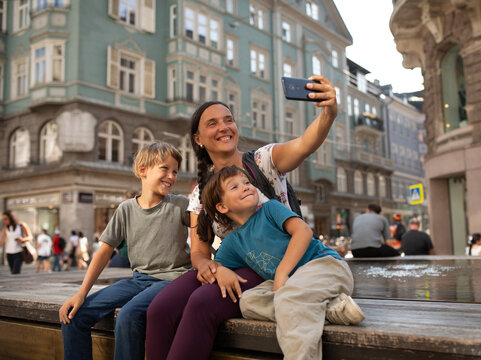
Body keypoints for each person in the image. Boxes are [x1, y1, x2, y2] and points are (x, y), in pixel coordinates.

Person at [146, 75, 339, 360]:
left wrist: (329, 112)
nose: (224, 127)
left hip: (274, 263)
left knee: (202, 302)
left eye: (228, 119)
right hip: (233, 262)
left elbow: (305, 144)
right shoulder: (200, 192)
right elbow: (198, 252)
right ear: (198, 139)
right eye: (212, 123)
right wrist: (212, 268)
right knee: (158, 309)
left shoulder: (263, 161)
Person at [203, 166, 365, 358]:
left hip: (325, 266)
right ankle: (331, 309)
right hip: (293, 285)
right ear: (222, 207)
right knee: (248, 302)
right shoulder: (233, 242)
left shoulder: (270, 209)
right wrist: (220, 271)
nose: (246, 187)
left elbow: (303, 231)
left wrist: (281, 272)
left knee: (289, 298)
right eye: (235, 187)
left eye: (247, 183)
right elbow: (215, 266)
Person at [59, 141, 191, 360]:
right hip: (138, 281)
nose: (171, 176)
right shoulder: (126, 209)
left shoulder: (180, 204)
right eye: (165, 168)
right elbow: (103, 252)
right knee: (74, 315)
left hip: (173, 281)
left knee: (129, 316)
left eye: (175, 171)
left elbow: (207, 229)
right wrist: (81, 293)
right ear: (143, 170)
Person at [0, 210, 33, 274]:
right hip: (9, 253)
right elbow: (2, 240)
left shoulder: (21, 225)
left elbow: (30, 237)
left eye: (6, 218)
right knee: (12, 271)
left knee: (15, 272)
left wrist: (22, 239)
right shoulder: (5, 228)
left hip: (19, 252)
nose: (5, 221)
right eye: (3, 219)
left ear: (11, 217)